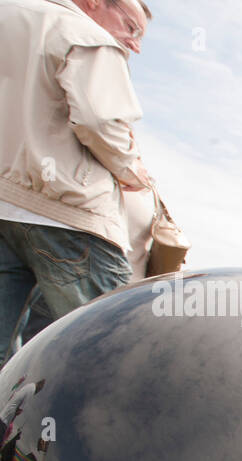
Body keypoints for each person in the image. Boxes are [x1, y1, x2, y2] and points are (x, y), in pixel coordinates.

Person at [0, 0, 153, 363]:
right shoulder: (86, 36)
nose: (135, 45)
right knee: (100, 356)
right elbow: (100, 122)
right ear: (95, 2)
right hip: (70, 220)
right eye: (131, 28)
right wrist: (131, 171)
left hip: (6, 211)